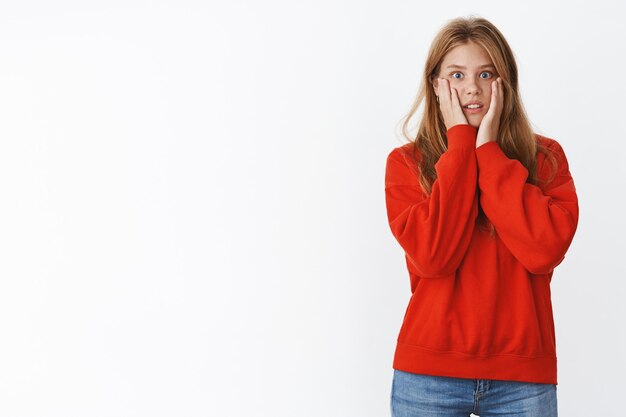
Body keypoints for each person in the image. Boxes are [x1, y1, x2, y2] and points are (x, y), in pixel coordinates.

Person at [384, 16, 579, 417]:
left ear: (505, 82)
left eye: (485, 73)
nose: (472, 87)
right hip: (428, 375)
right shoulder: (407, 163)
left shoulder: (546, 158)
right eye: (457, 74)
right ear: (436, 85)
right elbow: (434, 256)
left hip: (523, 376)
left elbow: (543, 250)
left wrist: (488, 153)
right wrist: (460, 148)